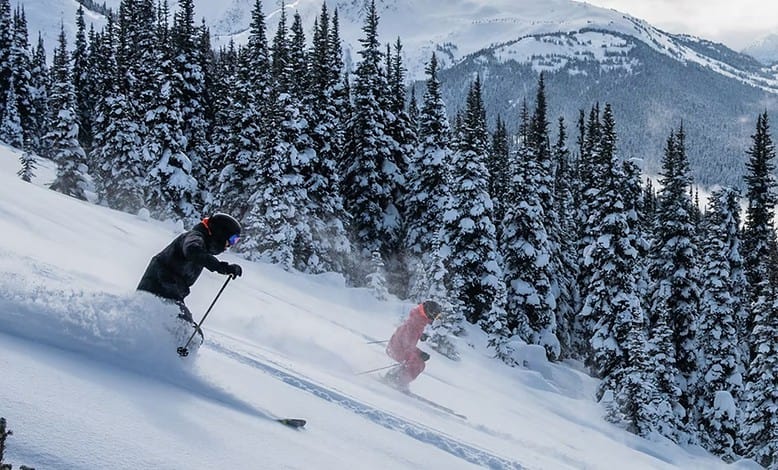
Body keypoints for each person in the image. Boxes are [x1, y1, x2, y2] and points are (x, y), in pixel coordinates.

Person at [137, 213, 243, 324]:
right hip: (159, 290)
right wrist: (222, 267)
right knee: (186, 331)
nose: (230, 245)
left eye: (235, 241)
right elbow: (192, 250)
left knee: (192, 333)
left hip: (168, 293)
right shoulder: (195, 237)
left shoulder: (202, 245)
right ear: (220, 233)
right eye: (232, 239)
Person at [384, 300, 442, 392]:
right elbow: (407, 345)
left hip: (398, 346)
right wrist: (420, 353)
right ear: (430, 313)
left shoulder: (419, 320)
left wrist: (420, 335)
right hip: (397, 349)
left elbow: (408, 337)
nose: (435, 318)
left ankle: (395, 376)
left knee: (416, 360)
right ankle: (397, 380)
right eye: (436, 315)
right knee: (418, 363)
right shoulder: (416, 323)